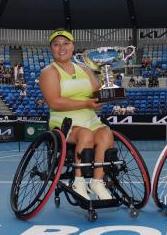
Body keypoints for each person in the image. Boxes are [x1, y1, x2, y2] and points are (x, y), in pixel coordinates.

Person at [39, 29, 113, 200]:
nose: (61, 48)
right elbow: (54, 102)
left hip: (89, 118)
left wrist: (108, 91)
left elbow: (96, 94)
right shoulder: (48, 72)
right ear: (51, 49)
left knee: (106, 135)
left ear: (73, 47)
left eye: (66, 43)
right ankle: (78, 181)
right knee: (86, 135)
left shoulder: (85, 69)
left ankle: (97, 181)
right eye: (56, 44)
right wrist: (87, 103)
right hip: (63, 120)